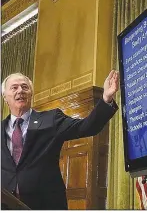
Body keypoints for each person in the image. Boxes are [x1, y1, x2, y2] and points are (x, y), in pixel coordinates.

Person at [1, 70, 120, 210]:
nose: (20, 90)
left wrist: (106, 98)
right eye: (14, 87)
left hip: (45, 205)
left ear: (31, 93)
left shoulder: (51, 119)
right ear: (4, 97)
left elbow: (86, 127)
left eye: (25, 87)